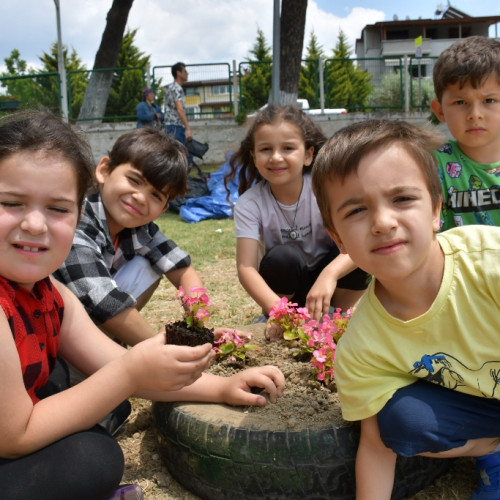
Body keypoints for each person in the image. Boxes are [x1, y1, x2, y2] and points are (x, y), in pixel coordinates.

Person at [0, 110, 285, 500]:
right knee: (92, 458)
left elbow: (111, 358)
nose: (35, 224)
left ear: (77, 212)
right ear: (105, 173)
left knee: (98, 426)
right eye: (12, 202)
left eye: (57, 209)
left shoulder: (49, 291)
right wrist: (134, 372)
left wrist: (221, 388)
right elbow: (14, 437)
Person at [311, 118, 500, 500]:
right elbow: (377, 449)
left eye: (402, 199)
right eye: (356, 211)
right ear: (338, 239)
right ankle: (492, 449)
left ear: (436, 210)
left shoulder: (489, 263)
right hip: (484, 406)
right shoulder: (362, 348)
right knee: (398, 423)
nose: (383, 222)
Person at [54, 127, 235, 348]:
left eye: (156, 195)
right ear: (104, 170)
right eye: (134, 180)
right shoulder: (76, 221)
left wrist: (198, 325)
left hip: (88, 323)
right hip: (54, 339)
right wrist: (164, 348)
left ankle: (111, 344)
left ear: (164, 208)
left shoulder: (140, 228)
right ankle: (102, 355)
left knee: (149, 264)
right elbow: (104, 302)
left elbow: (182, 269)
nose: (140, 198)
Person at [223, 104, 368, 335]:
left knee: (357, 256)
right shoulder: (250, 204)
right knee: (283, 258)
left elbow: (359, 245)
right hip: (287, 289)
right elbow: (246, 268)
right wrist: (279, 311)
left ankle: (334, 316)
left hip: (330, 285)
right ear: (254, 155)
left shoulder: (326, 191)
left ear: (308, 155)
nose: (276, 157)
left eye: (288, 148)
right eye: (266, 149)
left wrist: (329, 275)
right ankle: (281, 317)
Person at [429, 36, 500, 230]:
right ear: (440, 111)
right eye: (460, 102)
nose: (475, 115)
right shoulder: (431, 165)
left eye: (489, 100)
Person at [163, 62, 193, 163]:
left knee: (173, 157)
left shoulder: (169, 88)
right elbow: (180, 109)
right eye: (185, 71)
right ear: (178, 73)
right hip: (176, 126)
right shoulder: (177, 89)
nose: (187, 73)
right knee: (182, 157)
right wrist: (188, 128)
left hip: (168, 126)